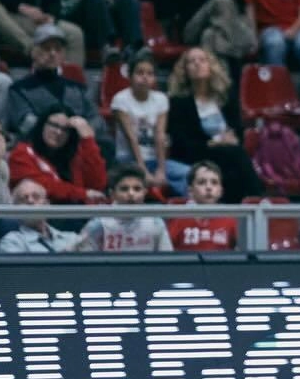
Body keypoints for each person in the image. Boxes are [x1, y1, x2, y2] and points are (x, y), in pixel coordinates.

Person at [167, 46, 263, 203]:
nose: (197, 64)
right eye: (192, 61)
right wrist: (214, 142)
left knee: (233, 159)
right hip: (196, 154)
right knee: (236, 156)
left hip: (226, 154)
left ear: (211, 66)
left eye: (202, 60)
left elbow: (237, 131)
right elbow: (181, 142)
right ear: (185, 70)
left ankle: (245, 206)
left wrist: (228, 141)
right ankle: (257, 199)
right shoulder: (178, 103)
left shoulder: (225, 98)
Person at [112, 50, 188, 197]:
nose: (145, 77)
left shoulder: (161, 99)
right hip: (128, 159)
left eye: (149, 73)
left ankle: (185, 215)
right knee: (136, 179)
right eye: (140, 73)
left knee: (189, 174)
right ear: (130, 76)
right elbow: (131, 138)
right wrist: (143, 170)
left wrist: (161, 169)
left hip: (153, 159)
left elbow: (159, 135)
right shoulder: (120, 99)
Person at [7, 107, 107, 205]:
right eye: (54, 125)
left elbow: (98, 184)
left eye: (65, 129)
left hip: (79, 213)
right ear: (42, 125)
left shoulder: (75, 155)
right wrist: (83, 194)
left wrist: (87, 140)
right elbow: (46, 186)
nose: (58, 132)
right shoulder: (21, 153)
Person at [73, 166, 173, 252]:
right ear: (112, 194)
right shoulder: (99, 224)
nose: (131, 194)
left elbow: (167, 261)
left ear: (144, 193)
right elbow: (84, 261)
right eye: (124, 189)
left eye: (137, 189)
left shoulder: (155, 222)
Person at [167, 161, 237, 250]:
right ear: (190, 191)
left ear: (220, 191)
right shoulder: (178, 218)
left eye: (214, 182)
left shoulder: (230, 220)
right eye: (202, 182)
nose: (209, 187)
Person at [0, 178, 81, 252]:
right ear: (15, 210)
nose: (30, 201)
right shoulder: (12, 242)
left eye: (36, 197)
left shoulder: (72, 238)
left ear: (47, 204)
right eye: (23, 199)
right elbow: (20, 270)